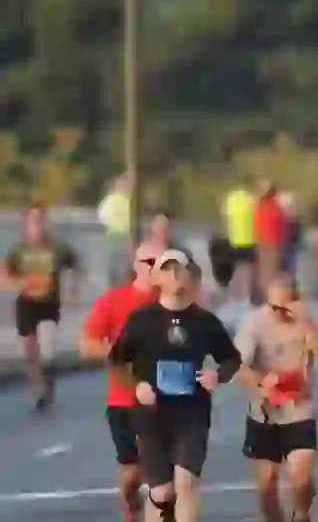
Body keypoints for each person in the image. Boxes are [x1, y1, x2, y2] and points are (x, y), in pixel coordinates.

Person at [108, 249, 252, 522]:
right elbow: (116, 362)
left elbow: (231, 359)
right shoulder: (141, 319)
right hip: (151, 417)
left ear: (190, 276)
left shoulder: (205, 321)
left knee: (186, 484)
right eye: (166, 269)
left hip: (191, 414)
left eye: (179, 269)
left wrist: (216, 376)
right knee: (162, 492)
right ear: (156, 278)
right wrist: (136, 386)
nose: (174, 275)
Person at [236, 275, 318, 522]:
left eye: (286, 306)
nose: (280, 313)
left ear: (297, 301)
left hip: (299, 408)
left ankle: (302, 514)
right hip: (264, 411)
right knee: (266, 485)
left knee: (301, 477)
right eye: (275, 307)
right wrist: (262, 382)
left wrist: (307, 325)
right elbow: (237, 367)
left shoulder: (309, 319)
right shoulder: (254, 322)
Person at [79, 242, 163, 521]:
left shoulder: (176, 300)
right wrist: (117, 351)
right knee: (133, 472)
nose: (155, 267)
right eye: (149, 261)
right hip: (123, 399)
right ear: (136, 265)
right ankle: (130, 505)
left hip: (166, 400)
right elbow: (87, 344)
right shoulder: (114, 300)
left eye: (162, 261)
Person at [3, 205, 79, 412]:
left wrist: (72, 289)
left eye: (40, 220)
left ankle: (48, 375)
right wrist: (18, 283)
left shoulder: (56, 248)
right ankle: (38, 389)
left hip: (48, 303)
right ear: (26, 225)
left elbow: (74, 267)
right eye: (33, 221)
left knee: (47, 349)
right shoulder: (19, 250)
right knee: (29, 348)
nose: (37, 226)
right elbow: (5, 274)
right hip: (26, 302)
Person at [223, 183, 258, 299]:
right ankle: (246, 293)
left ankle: (235, 293)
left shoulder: (231, 199)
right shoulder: (251, 199)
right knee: (249, 268)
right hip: (249, 239)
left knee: (237, 268)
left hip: (234, 239)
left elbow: (227, 218)